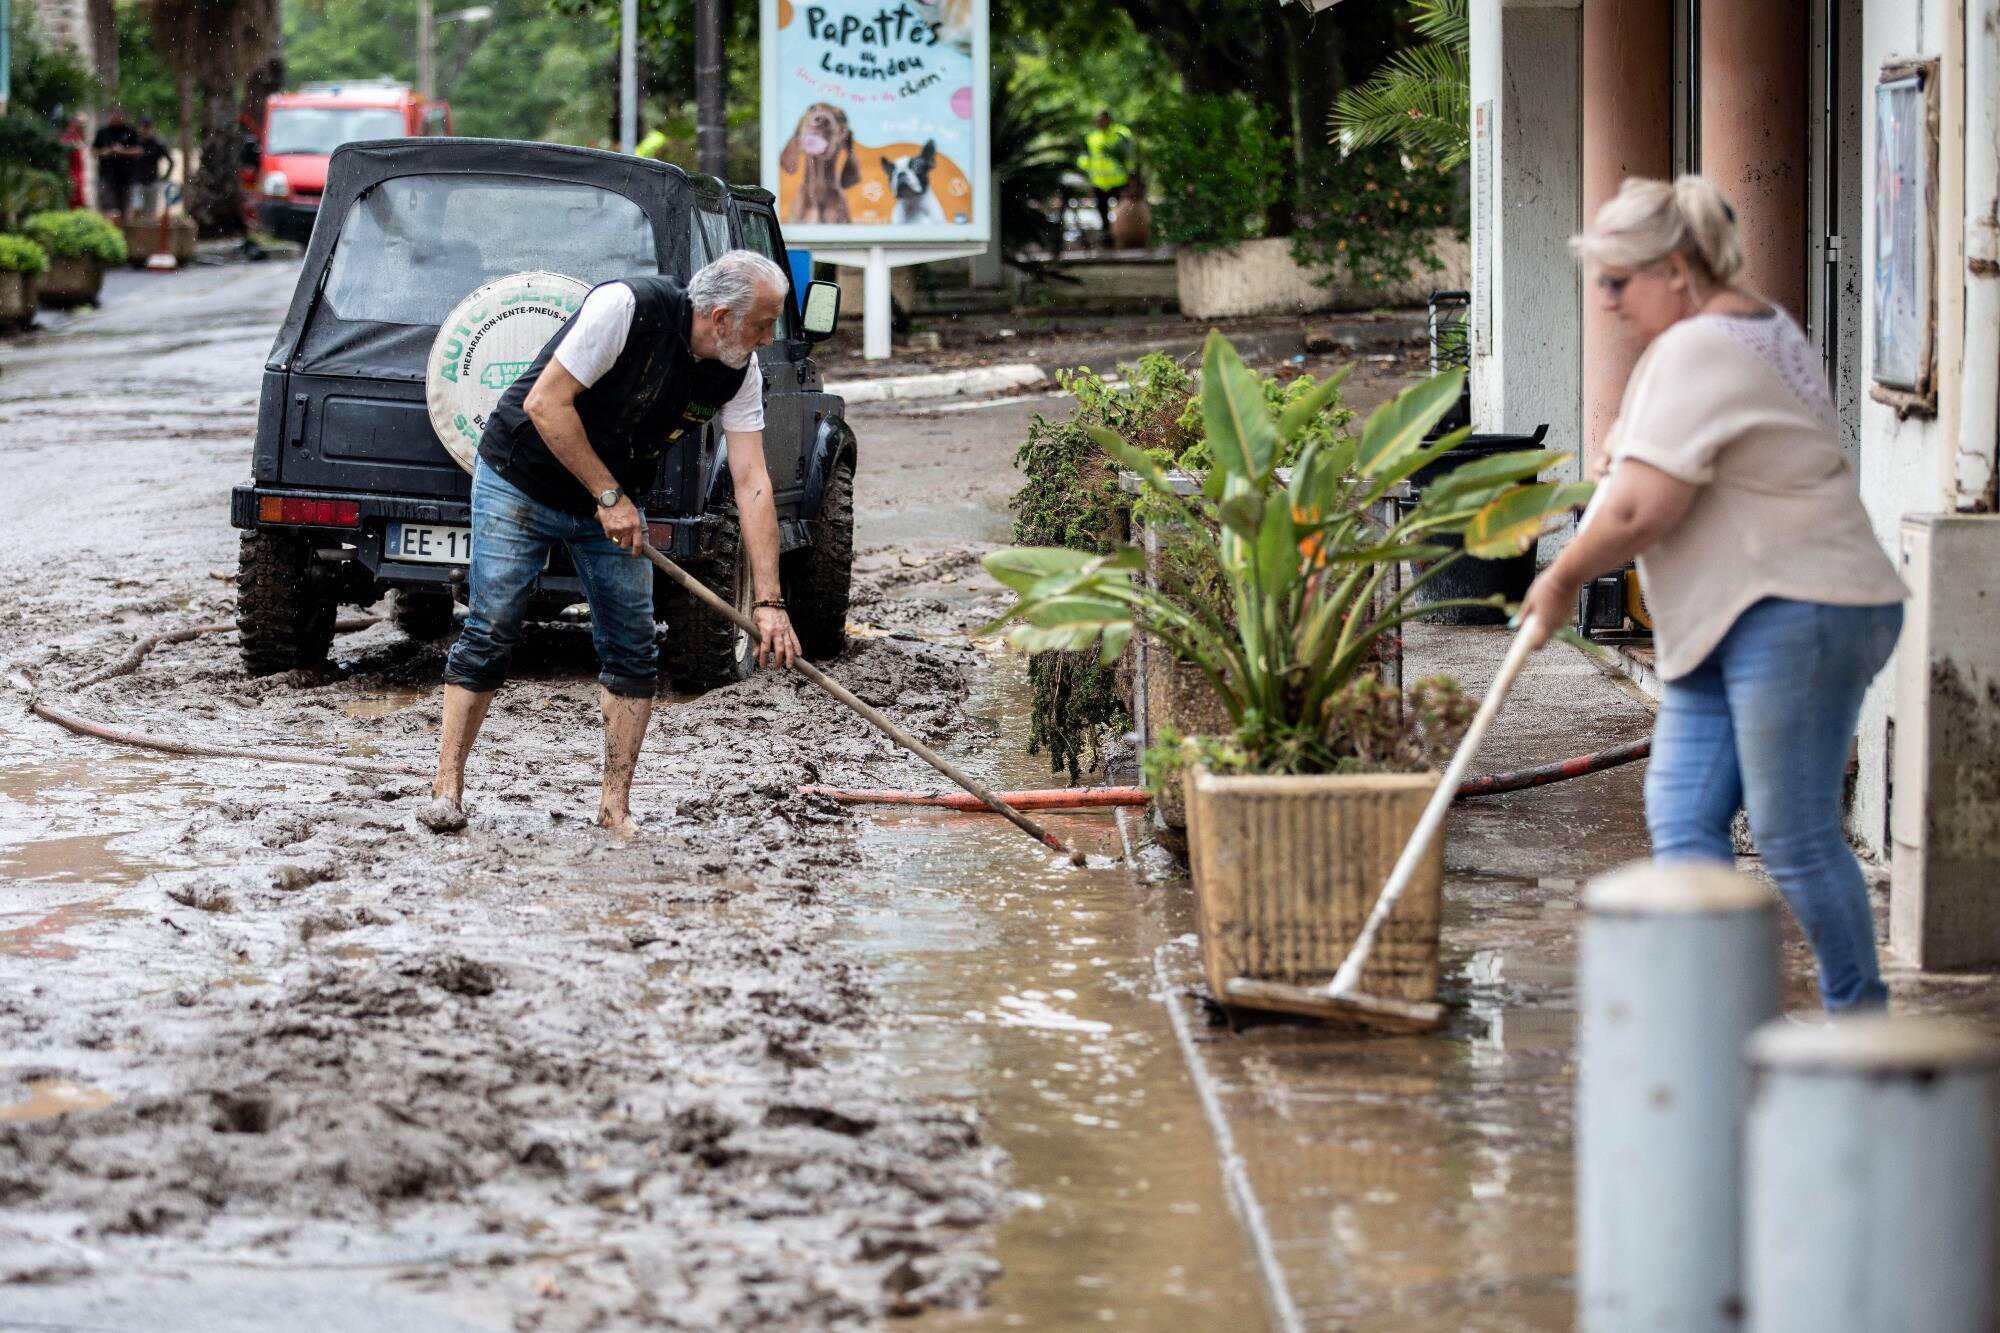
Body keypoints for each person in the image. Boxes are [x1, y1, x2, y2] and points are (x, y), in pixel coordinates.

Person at [1517, 175, 1908, 1013]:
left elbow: (1641, 508)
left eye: (1617, 281)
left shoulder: (1701, 346)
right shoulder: (1753, 328)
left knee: (1792, 831)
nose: (1607, 302)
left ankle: (1859, 1024)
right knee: (1684, 808)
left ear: (1676, 269)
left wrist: (1558, 577)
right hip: (1732, 615)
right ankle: (1709, 1021)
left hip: (1797, 606)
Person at [423, 250, 801, 839]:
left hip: (612, 498)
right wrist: (607, 496)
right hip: (521, 477)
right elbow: (544, 403)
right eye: (764, 324)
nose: (769, 339)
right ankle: (447, 789)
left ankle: (614, 808)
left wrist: (770, 602)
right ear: (722, 317)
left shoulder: (738, 371)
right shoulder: (626, 308)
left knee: (633, 648)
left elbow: (753, 482)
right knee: (492, 628)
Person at [1075, 110, 1136, 244]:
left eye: (1102, 120)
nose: (1100, 123)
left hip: (1119, 181)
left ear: (1109, 120)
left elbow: (1129, 155)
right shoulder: (1091, 138)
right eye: (1098, 120)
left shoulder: (1120, 134)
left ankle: (1124, 235)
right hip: (1099, 183)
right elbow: (1084, 157)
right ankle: (1108, 239)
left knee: (1122, 211)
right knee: (1103, 213)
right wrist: (1084, 166)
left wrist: (1131, 175)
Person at [91, 107, 142, 220]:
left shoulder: (130, 131)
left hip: (126, 178)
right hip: (106, 176)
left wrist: (122, 151)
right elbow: (94, 152)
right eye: (113, 114)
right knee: (107, 209)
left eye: (118, 115)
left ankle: (123, 228)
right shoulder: (102, 132)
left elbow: (139, 151)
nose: (116, 117)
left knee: (125, 209)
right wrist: (106, 152)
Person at [133, 118, 173, 217]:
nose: (145, 130)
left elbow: (171, 162)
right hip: (137, 181)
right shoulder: (134, 142)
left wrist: (165, 177)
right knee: (137, 210)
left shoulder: (157, 143)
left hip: (152, 180)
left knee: (150, 212)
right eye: (143, 127)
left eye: (147, 127)